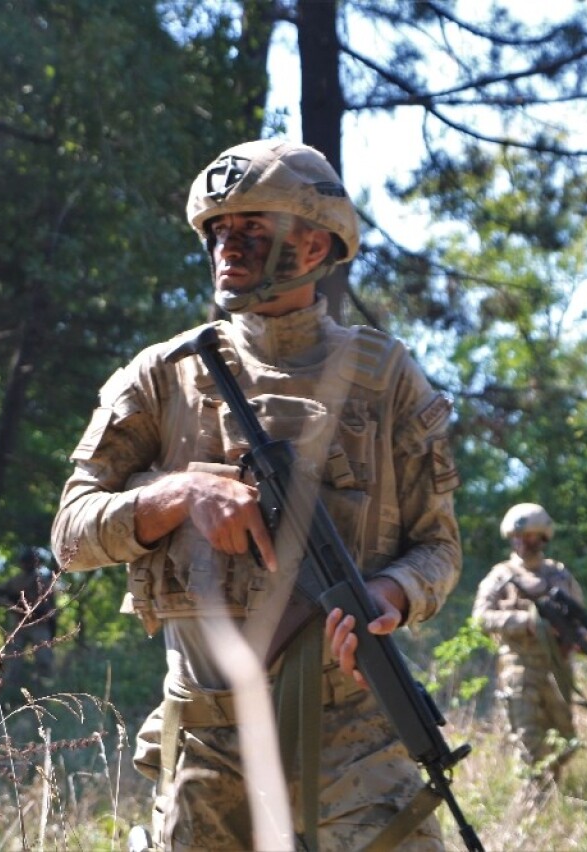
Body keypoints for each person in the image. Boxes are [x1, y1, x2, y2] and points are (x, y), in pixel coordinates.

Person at [52, 139, 461, 850]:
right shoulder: (163, 377)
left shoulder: (385, 376)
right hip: (207, 744)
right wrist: (176, 495)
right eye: (217, 231)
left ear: (314, 245)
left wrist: (390, 594)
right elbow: (70, 535)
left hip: (353, 739)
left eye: (252, 229)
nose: (226, 247)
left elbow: (439, 547)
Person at [472, 502, 585, 785]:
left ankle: (552, 789)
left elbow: (581, 621)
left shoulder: (559, 576)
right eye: (517, 537)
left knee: (564, 739)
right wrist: (525, 622)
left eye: (530, 537)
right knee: (528, 738)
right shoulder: (500, 577)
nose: (522, 543)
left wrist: (575, 638)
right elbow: (481, 618)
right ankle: (533, 801)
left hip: (557, 668)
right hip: (519, 668)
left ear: (543, 537)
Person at [0, 547, 58, 687]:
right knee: (12, 661)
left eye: (30, 561)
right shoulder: (14, 581)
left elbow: (51, 605)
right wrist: (8, 604)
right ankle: (10, 689)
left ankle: (44, 688)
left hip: (39, 624)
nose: (27, 564)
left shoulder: (44, 580)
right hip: (19, 624)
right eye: (25, 561)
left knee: (44, 659)